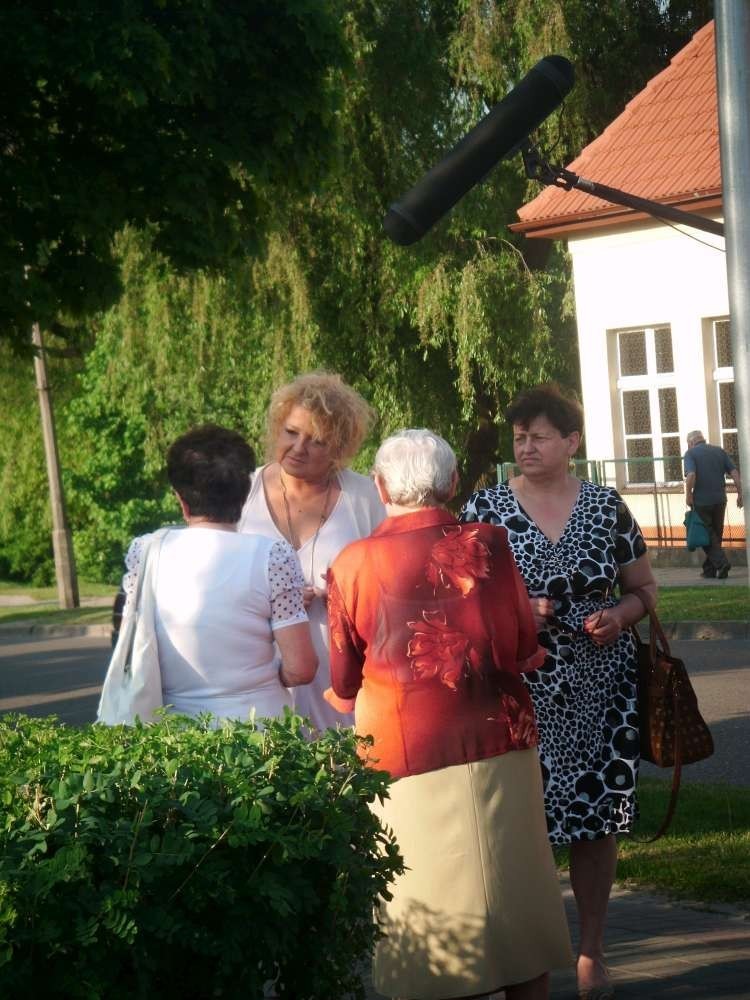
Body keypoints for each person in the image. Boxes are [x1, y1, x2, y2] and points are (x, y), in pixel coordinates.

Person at [326, 429, 573, 1000]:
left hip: (405, 752)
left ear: (381, 487)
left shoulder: (353, 562)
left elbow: (342, 677)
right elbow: (520, 640)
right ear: (454, 483)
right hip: (500, 737)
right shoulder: (489, 541)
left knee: (426, 909)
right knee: (517, 899)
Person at [460, 384, 657, 1000]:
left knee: (597, 822)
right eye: (519, 438)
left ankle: (591, 949)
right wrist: (514, 609)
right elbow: (457, 602)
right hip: (520, 692)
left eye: (539, 436)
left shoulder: (606, 506)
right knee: (524, 827)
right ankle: (533, 956)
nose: (526, 447)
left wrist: (621, 617)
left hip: (603, 688)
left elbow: (645, 589)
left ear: (572, 442)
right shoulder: (483, 510)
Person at [117, 424, 317, 721]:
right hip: (261, 733)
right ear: (246, 491)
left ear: (180, 498)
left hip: (173, 737)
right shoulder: (274, 557)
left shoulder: (144, 552)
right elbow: (301, 668)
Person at [238, 371, 385, 731]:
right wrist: (275, 600)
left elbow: (389, 584)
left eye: (316, 440)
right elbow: (217, 580)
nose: (298, 447)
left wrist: (343, 596)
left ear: (339, 448)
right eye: (291, 432)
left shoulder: (364, 497)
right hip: (259, 674)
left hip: (342, 682)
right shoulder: (243, 491)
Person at [683, 429, 743, 579]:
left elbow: (691, 474)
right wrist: (740, 493)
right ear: (703, 439)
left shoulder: (690, 454)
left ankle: (722, 564)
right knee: (716, 535)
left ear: (691, 443)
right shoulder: (719, 451)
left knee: (706, 536)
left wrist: (688, 494)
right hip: (720, 500)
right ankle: (709, 569)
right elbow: (734, 472)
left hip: (702, 502)